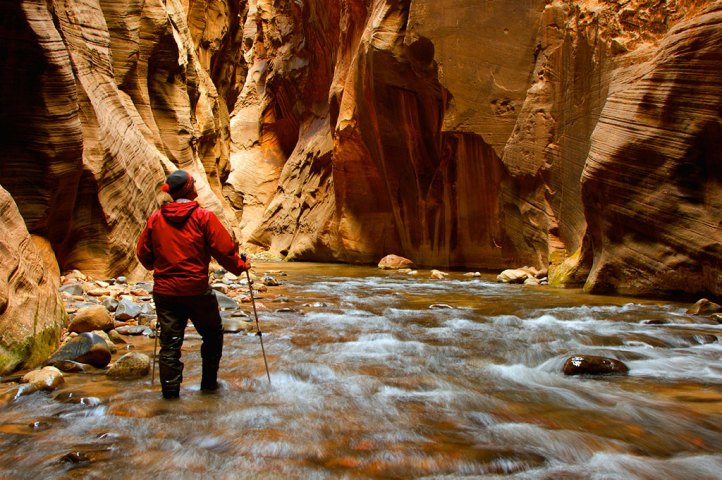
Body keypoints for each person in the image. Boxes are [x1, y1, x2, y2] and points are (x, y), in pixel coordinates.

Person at [136, 170, 251, 399]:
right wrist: (240, 266)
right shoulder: (203, 217)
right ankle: (208, 386)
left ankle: (170, 397)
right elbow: (223, 250)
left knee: (170, 344)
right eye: (194, 184)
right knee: (212, 334)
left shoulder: (156, 219)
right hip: (196, 291)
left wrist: (155, 266)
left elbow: (144, 253)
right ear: (189, 189)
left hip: (166, 293)